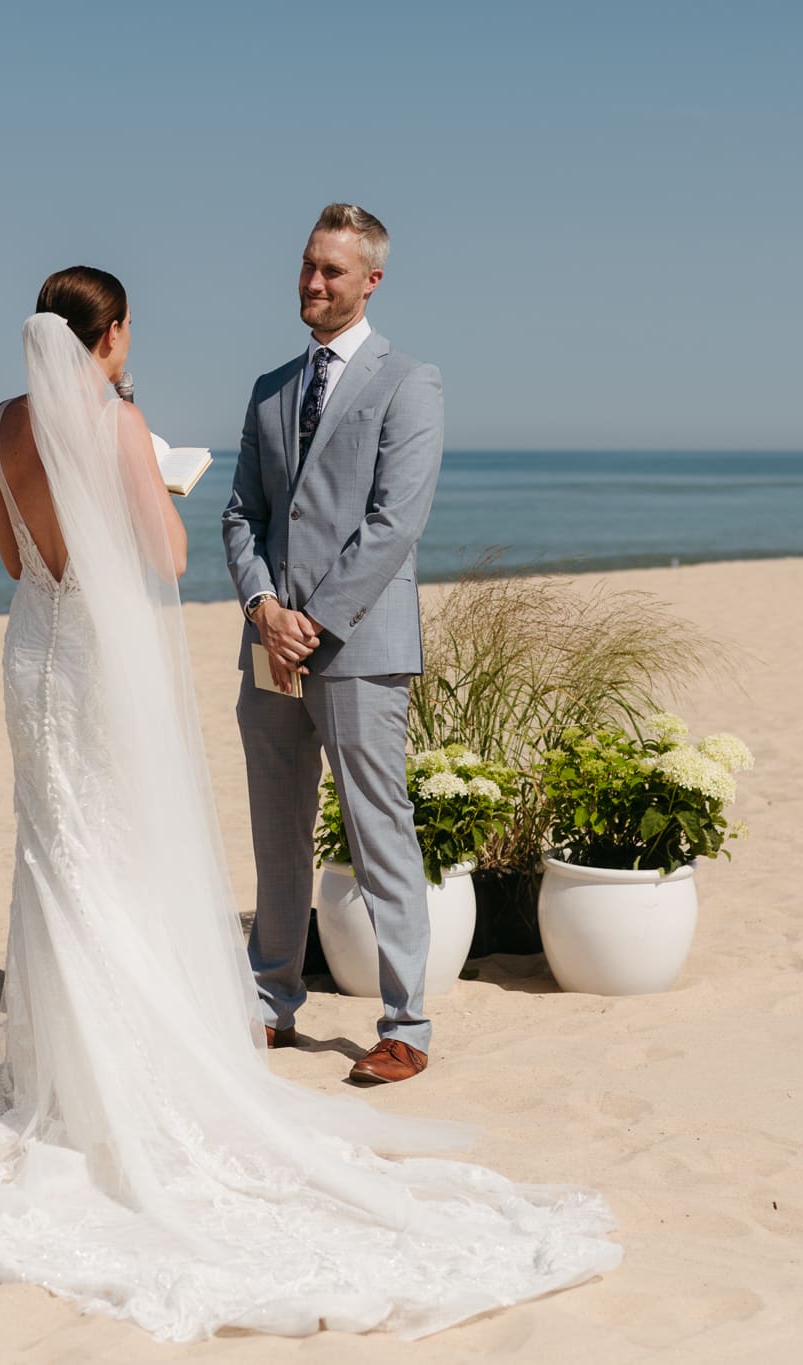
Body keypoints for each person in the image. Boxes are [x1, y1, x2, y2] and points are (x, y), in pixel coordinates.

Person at [0, 265, 619, 1343]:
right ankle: (128, 1078)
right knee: (114, 854)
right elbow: (171, 554)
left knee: (53, 853)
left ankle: (56, 1076)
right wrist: (152, 473)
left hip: (32, 647)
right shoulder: (112, 421)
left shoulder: (2, 426)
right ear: (114, 334)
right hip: (95, 655)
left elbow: (13, 555)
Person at [223, 202, 444, 1084]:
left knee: (376, 828)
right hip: (270, 647)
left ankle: (408, 1022)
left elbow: (395, 525)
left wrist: (315, 621)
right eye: (309, 266)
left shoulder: (410, 380)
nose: (314, 283)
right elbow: (243, 513)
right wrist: (264, 609)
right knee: (275, 835)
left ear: (371, 281)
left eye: (333, 272)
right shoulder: (270, 386)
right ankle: (271, 1003)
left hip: (359, 646)